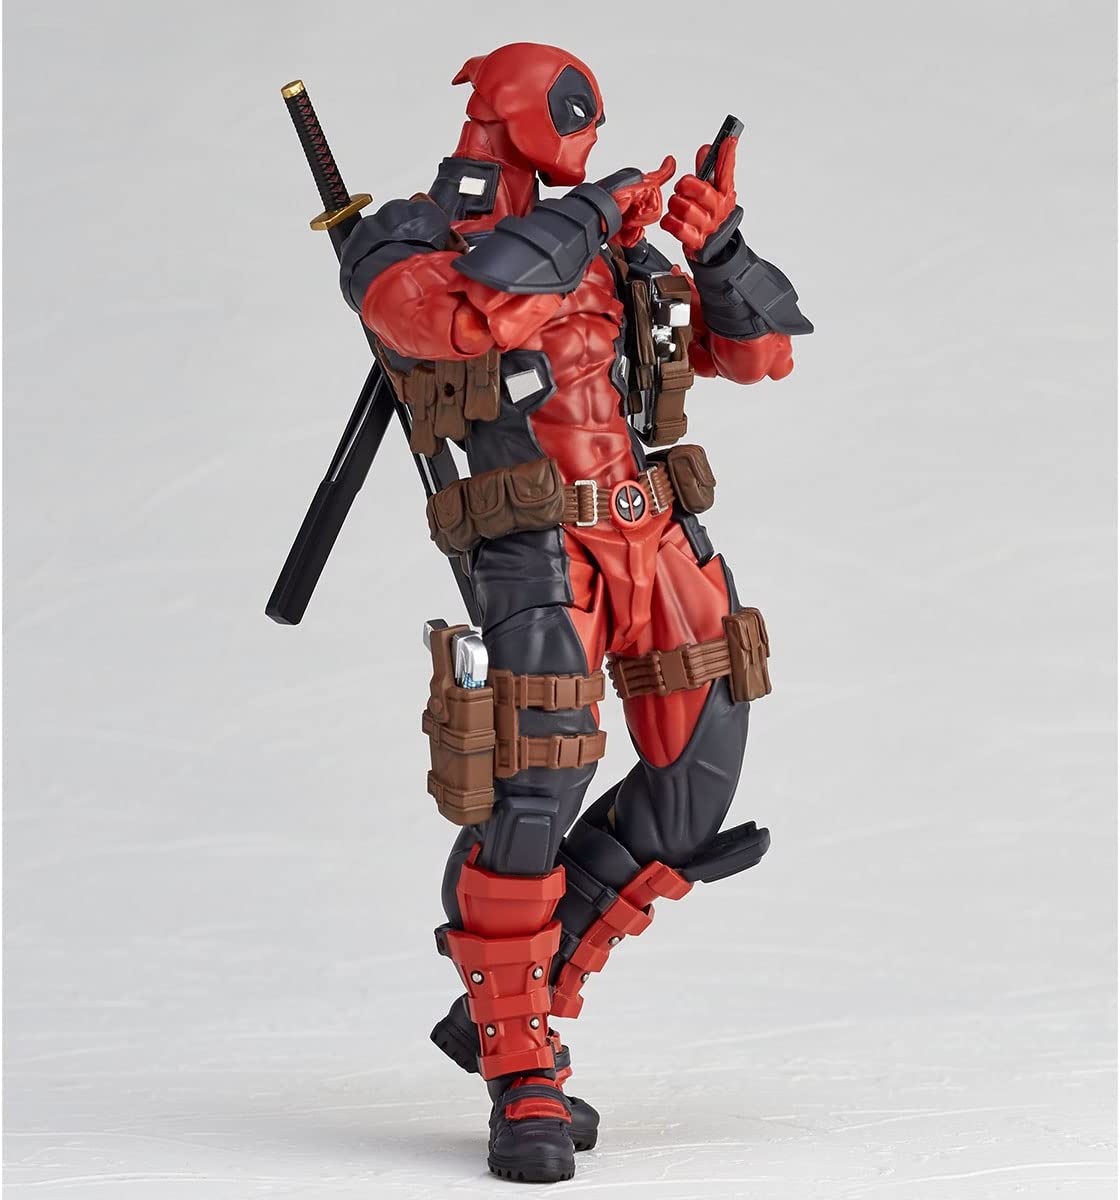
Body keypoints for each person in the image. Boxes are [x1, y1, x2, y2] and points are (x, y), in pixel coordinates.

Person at [339, 41, 812, 1183]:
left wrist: (716, 247)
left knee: (695, 783)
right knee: (535, 783)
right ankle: (522, 1067)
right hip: (535, 544)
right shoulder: (408, 240)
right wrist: (597, 208)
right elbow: (461, 319)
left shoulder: (613, 252)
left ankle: (519, 996)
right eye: (575, 112)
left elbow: (760, 356)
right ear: (517, 111)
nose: (592, 132)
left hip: (656, 533)